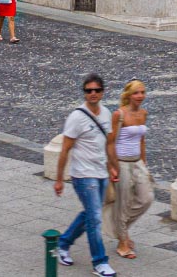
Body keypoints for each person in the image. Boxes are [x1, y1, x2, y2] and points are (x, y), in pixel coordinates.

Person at [53, 74, 117, 275]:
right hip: (83, 175)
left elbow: (108, 143)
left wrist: (113, 167)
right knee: (95, 218)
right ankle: (100, 262)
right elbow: (65, 149)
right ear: (84, 93)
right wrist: (59, 179)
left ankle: (63, 243)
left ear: (102, 92)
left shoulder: (106, 114)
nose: (93, 94)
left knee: (91, 213)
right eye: (89, 91)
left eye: (97, 90)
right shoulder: (77, 118)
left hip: (101, 172)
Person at [108, 80, 152, 260]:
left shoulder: (143, 113)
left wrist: (144, 163)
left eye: (142, 92)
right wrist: (112, 166)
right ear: (128, 95)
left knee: (146, 199)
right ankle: (122, 242)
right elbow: (110, 142)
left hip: (137, 163)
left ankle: (121, 229)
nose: (140, 96)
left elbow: (141, 140)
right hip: (122, 162)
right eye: (136, 93)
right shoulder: (119, 114)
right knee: (122, 203)